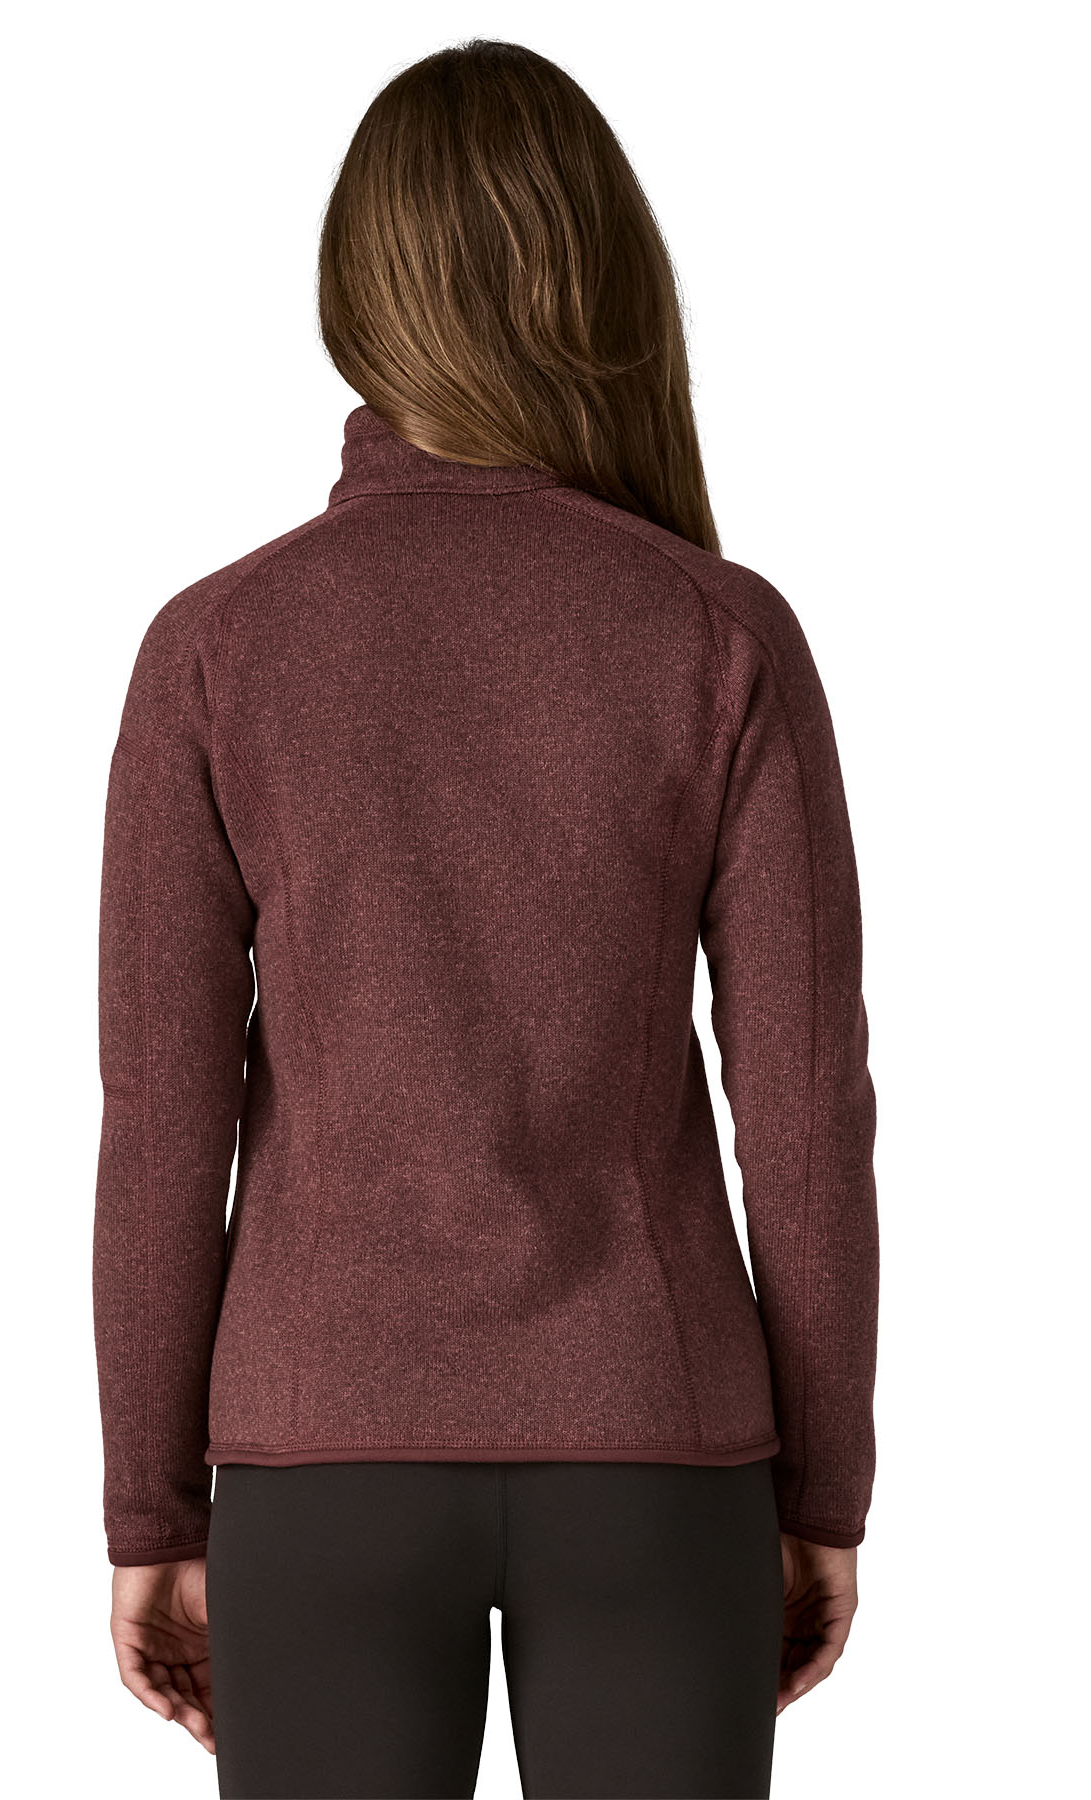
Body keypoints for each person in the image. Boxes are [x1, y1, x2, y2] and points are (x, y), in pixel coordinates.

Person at [93, 39, 879, 1800]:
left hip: (318, 1459)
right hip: (658, 1453)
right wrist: (823, 1488)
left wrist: (151, 1507)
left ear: (354, 297)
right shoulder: (720, 633)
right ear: (604, 282)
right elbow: (806, 1112)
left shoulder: (217, 648)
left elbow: (161, 1119)